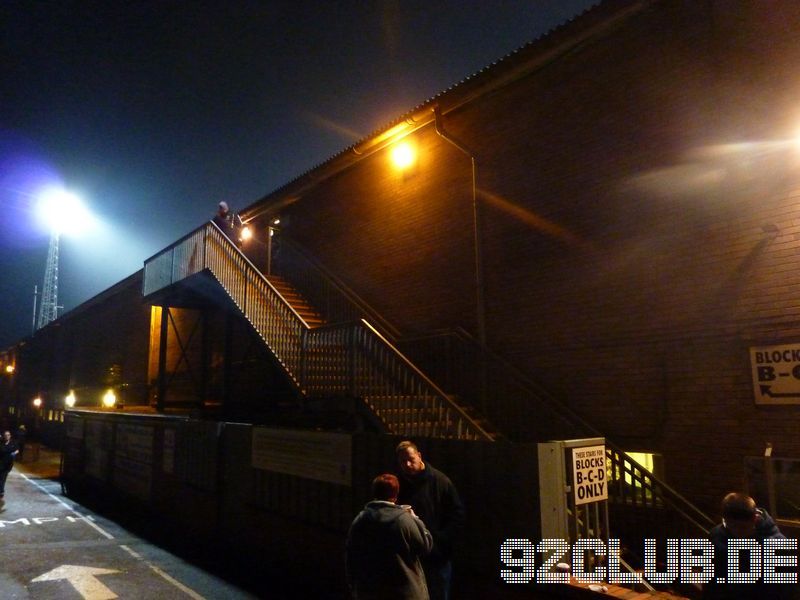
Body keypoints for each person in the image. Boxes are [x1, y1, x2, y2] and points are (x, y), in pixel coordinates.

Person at [395, 441, 465, 600]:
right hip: (412, 556)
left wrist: (441, 540)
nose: (407, 464)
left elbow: (457, 515)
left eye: (410, 459)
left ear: (419, 456)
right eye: (402, 461)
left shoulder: (440, 481)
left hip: (436, 555)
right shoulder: (400, 483)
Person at [346, 473, 433, 600]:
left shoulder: (360, 521)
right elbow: (426, 545)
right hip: (404, 592)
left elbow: (350, 557)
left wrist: (356, 587)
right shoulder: (403, 520)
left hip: (372, 592)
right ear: (395, 495)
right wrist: (416, 519)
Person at [703, 492, 794, 600]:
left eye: (742, 527)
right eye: (732, 526)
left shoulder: (778, 545)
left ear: (755, 519)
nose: (737, 532)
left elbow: (784, 590)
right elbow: (710, 583)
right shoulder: (716, 537)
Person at [0, 430, 19, 499]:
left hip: (8, 464)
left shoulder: (13, 443)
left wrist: (14, 453)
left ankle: (1, 491)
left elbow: (17, 450)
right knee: (1, 478)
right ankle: (1, 491)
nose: (7, 436)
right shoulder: (1, 443)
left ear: (10, 436)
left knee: (3, 478)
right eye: (5, 435)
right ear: (3, 436)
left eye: (8, 435)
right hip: (1, 463)